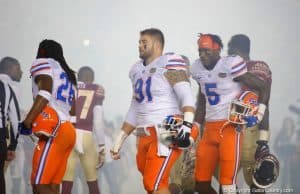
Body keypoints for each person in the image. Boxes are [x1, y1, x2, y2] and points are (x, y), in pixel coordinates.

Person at [110, 28, 197, 194]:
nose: (140, 46)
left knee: (153, 183)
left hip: (166, 129)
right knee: (153, 183)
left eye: (144, 43)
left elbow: (187, 97)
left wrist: (186, 126)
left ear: (157, 45)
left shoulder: (169, 62)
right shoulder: (136, 70)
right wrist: (120, 138)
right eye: (139, 43)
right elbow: (136, 107)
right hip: (144, 134)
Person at [191, 33, 269, 194]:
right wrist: (195, 127)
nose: (202, 55)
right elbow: (202, 100)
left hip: (230, 129)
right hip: (209, 131)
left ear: (218, 50)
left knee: (228, 185)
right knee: (200, 184)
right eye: (200, 51)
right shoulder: (197, 68)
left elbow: (263, 87)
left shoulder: (230, 65)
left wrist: (259, 115)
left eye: (207, 51)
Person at [19, 39, 77, 194]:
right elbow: (73, 111)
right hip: (68, 129)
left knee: (39, 185)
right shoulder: (68, 73)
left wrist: (27, 122)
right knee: (52, 185)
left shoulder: (43, 62)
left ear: (43, 51)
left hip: (54, 128)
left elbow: (45, 92)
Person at [227, 34, 272, 193]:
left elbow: (257, 100)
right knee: (228, 180)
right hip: (231, 128)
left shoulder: (256, 66)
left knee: (256, 180)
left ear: (235, 49)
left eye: (229, 49)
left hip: (248, 127)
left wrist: (262, 139)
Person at [62, 66, 105, 194]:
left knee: (66, 182)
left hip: (68, 134)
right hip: (86, 135)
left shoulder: (67, 87)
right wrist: (102, 146)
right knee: (92, 181)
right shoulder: (96, 89)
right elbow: (98, 121)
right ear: (89, 78)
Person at [0, 56, 26, 194]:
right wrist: (13, 145)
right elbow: (15, 117)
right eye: (18, 69)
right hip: (5, 134)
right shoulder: (12, 86)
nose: (21, 72)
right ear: (9, 69)